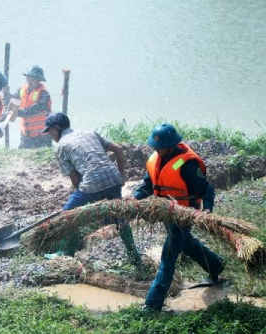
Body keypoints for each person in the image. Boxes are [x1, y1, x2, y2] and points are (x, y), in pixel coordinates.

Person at [134, 123, 224, 312]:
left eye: (159, 147)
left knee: (168, 255)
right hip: (166, 213)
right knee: (186, 243)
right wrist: (133, 200)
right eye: (154, 147)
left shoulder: (187, 164)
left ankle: (152, 305)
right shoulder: (155, 159)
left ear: (171, 145)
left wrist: (207, 210)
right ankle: (216, 266)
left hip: (184, 215)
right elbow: (147, 185)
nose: (156, 150)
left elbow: (207, 189)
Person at [42, 112, 142, 267]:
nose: (50, 135)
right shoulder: (89, 133)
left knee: (67, 215)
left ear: (57, 128)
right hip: (113, 179)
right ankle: (135, 258)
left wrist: (84, 203)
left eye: (50, 131)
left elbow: (75, 179)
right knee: (119, 217)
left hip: (92, 182)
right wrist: (121, 177)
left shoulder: (61, 146)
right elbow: (118, 149)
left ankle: (65, 254)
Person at [4, 65, 52, 149]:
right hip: (26, 134)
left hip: (42, 135)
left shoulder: (44, 94)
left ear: (39, 80)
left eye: (33, 78)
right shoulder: (21, 90)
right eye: (28, 77)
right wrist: (6, 94)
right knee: (21, 155)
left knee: (42, 157)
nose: (29, 81)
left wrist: (15, 112)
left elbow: (31, 111)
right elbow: (12, 101)